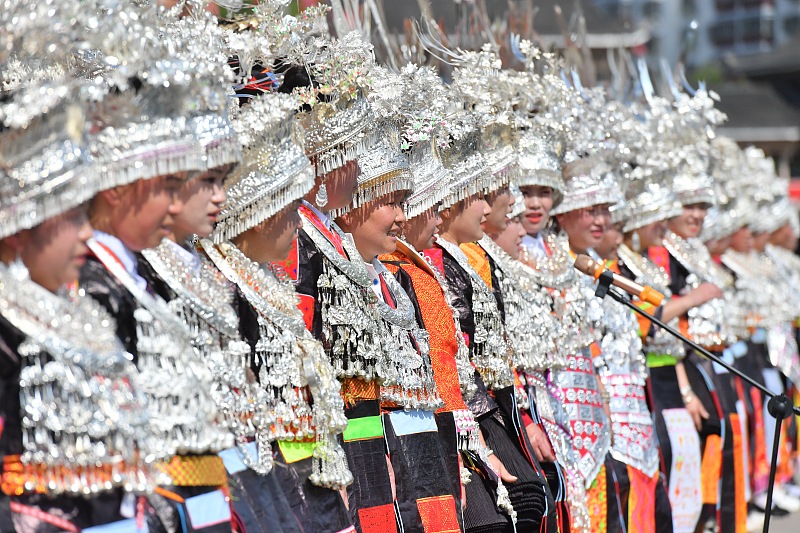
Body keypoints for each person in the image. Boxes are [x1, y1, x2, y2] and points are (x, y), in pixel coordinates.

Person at [78, 7, 238, 531]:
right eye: (167, 188)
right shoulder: (92, 282)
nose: (176, 206)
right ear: (119, 185)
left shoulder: (136, 272)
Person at [198, 93, 353, 533]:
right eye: (289, 212)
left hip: (306, 484)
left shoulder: (264, 281)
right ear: (260, 215)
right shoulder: (227, 289)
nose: (298, 224)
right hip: (266, 488)